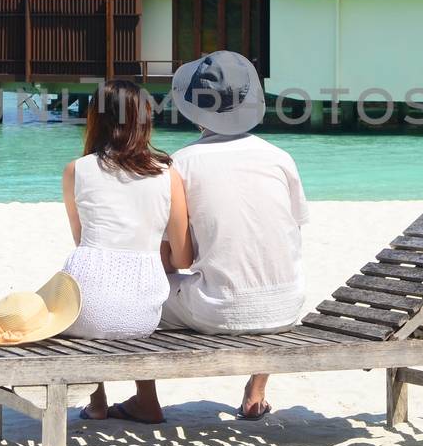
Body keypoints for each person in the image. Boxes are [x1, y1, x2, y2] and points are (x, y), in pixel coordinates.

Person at [122, 50, 310, 424]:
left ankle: (146, 401)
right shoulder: (279, 157)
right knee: (263, 271)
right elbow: (291, 229)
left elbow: (176, 258)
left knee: (135, 301)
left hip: (220, 308)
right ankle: (256, 394)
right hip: (287, 303)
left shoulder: (180, 163)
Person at [62, 79, 193, 423]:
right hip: (143, 314)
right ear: (144, 120)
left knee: (87, 289)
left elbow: (83, 242)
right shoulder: (167, 174)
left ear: (95, 119)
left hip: (85, 306)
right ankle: (146, 400)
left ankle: (97, 402)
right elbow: (182, 258)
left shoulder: (77, 170)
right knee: (130, 295)